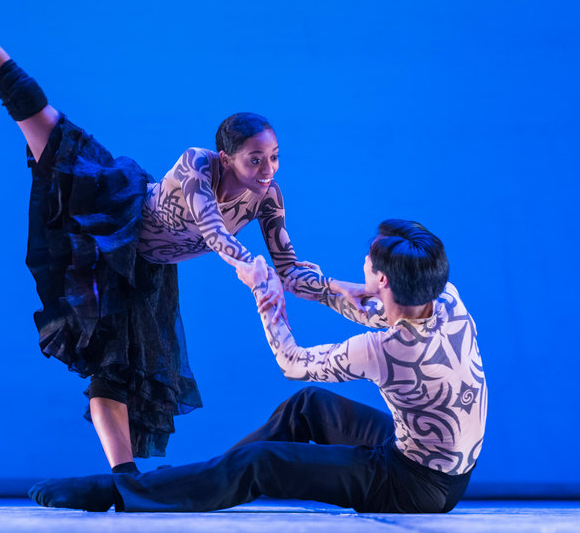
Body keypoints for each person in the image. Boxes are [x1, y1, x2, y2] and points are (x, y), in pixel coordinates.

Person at [0, 0, 365, 475]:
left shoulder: (268, 197)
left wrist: (346, 292)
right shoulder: (197, 166)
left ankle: (126, 480)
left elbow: (291, 270)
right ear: (226, 157)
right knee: (28, 103)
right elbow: (215, 234)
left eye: (274, 157)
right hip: (111, 214)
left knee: (118, 372)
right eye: (255, 159)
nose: (268, 169)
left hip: (146, 268)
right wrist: (247, 268)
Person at [29, 219, 486, 513]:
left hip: (414, 484)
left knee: (260, 462)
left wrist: (265, 298)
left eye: (369, 263)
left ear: (382, 279)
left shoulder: (386, 350)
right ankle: (195, 480)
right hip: (445, 465)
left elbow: (292, 362)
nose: (363, 263)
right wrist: (325, 287)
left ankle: (123, 491)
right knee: (308, 405)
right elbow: (377, 309)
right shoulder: (446, 299)